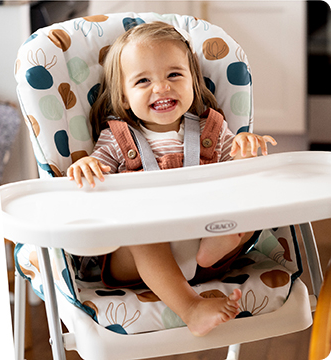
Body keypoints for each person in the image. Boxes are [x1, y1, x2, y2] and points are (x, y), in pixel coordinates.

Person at [65, 22, 277, 337]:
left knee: (249, 208)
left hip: (206, 249)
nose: (162, 87)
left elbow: (239, 178)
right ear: (124, 97)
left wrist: (245, 154)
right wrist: (87, 166)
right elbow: (99, 169)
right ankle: (190, 308)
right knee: (139, 231)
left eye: (174, 75)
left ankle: (213, 247)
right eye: (143, 80)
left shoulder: (213, 131)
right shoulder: (117, 137)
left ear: (193, 81)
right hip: (140, 260)